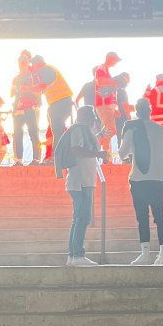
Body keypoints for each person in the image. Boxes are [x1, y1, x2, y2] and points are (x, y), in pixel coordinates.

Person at [119, 97, 163, 265]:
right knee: (159, 215)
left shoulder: (132, 129)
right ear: (150, 111)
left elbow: (122, 154)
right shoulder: (162, 130)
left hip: (139, 178)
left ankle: (145, 254)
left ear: (137, 111)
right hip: (158, 178)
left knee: (142, 217)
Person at [58, 105, 105, 267]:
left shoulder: (84, 131)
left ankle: (73, 255)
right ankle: (77, 255)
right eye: (93, 116)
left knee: (78, 218)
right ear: (88, 117)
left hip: (84, 180)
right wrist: (98, 154)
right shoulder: (79, 130)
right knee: (82, 218)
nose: (94, 119)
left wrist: (98, 139)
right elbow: (77, 150)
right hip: (80, 182)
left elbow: (83, 148)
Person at [30, 55, 74, 162]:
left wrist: (27, 88)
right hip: (59, 103)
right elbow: (41, 91)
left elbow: (42, 86)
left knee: (58, 130)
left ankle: (57, 156)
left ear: (38, 64)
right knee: (58, 130)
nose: (33, 69)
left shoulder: (46, 69)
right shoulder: (47, 71)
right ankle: (60, 155)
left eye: (33, 66)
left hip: (60, 102)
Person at [10, 50, 42, 164]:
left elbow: (40, 91)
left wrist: (28, 89)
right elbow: (11, 94)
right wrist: (15, 89)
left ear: (28, 63)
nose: (21, 65)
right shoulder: (16, 78)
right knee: (17, 133)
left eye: (24, 63)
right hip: (18, 108)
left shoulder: (34, 76)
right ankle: (18, 160)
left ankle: (36, 159)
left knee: (33, 132)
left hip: (31, 107)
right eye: (20, 63)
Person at [92, 51, 122, 149]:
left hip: (106, 105)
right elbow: (100, 82)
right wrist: (114, 82)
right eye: (116, 60)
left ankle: (105, 157)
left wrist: (114, 108)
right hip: (104, 105)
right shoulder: (102, 68)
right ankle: (92, 147)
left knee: (108, 130)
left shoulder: (104, 69)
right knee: (110, 130)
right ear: (111, 58)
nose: (116, 62)